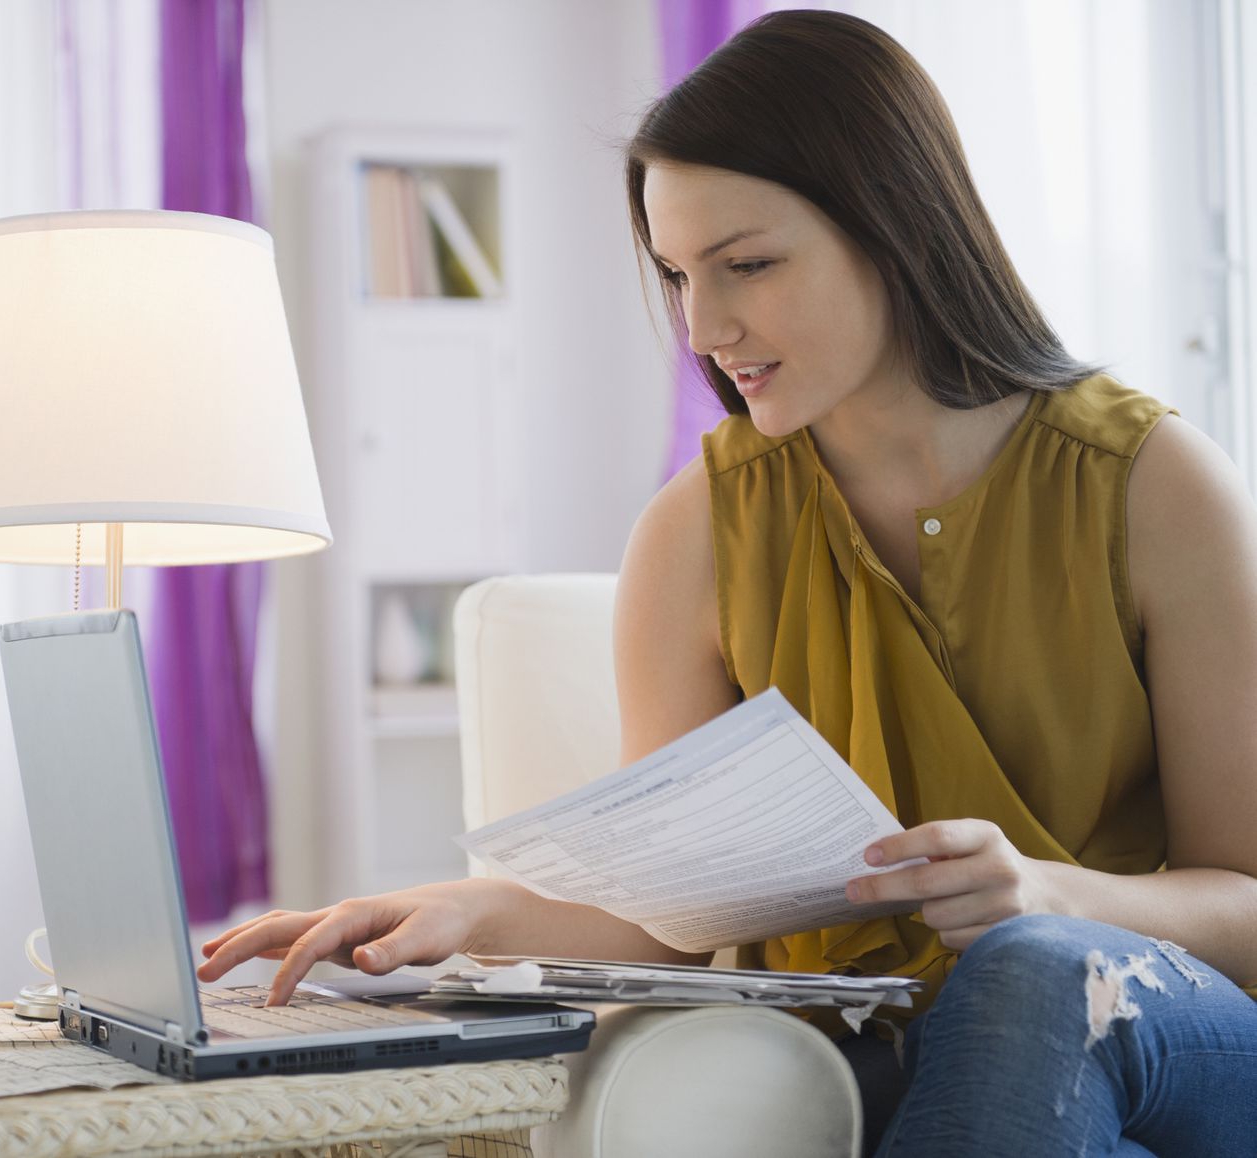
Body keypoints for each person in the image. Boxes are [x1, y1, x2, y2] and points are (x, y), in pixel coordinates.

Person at [199, 10, 1257, 1154]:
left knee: (1035, 974)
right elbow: (678, 922)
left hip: (1163, 1032)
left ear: (896, 226)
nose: (704, 326)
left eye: (747, 264)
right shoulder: (698, 531)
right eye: (677, 274)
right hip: (883, 1047)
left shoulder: (1155, 487)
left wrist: (1052, 899)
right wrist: (461, 913)